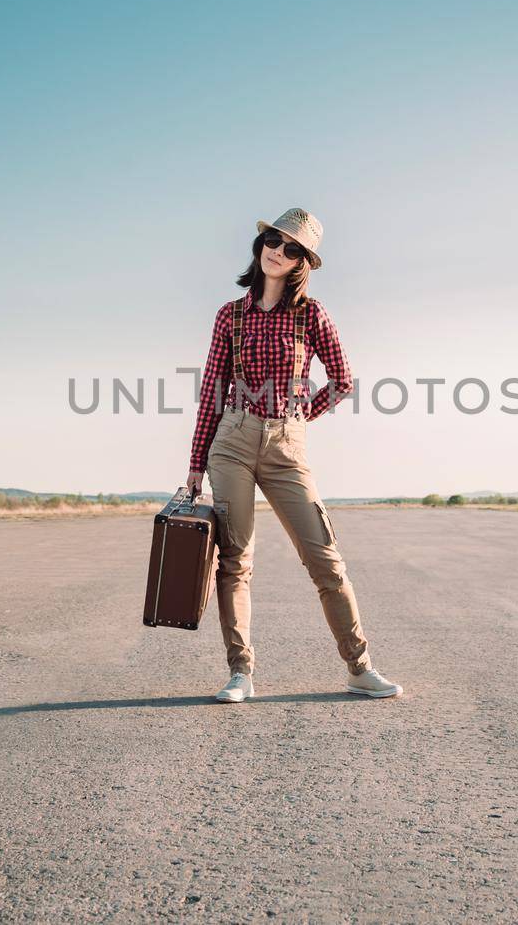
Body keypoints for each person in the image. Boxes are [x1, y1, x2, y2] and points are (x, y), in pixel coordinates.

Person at [184, 208, 404, 703]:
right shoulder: (230, 315)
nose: (278, 252)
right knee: (235, 562)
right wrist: (196, 466)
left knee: (325, 559)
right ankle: (240, 673)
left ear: (303, 260)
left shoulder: (312, 314)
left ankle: (359, 667)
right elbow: (212, 392)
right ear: (260, 246)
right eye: (274, 242)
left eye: (291, 249)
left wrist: (302, 414)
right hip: (232, 443)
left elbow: (343, 381)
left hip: (287, 446)